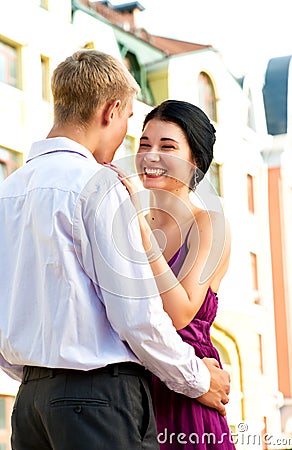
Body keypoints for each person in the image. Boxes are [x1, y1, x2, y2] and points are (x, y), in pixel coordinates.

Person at [0, 51, 230, 450]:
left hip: (31, 404)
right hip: (102, 398)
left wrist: (39, 377)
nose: (137, 148)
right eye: (133, 132)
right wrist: (199, 379)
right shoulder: (100, 188)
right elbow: (136, 317)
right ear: (112, 110)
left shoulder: (9, 191)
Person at [110, 99, 235, 449]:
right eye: (144, 144)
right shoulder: (125, 219)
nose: (151, 156)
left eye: (167, 147)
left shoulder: (208, 223)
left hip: (190, 392)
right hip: (130, 390)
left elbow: (180, 313)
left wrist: (143, 231)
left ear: (194, 160)